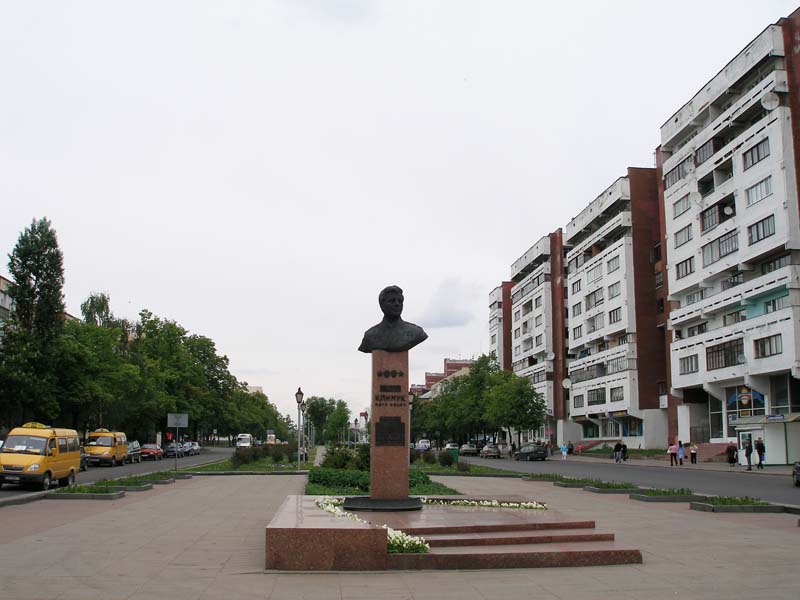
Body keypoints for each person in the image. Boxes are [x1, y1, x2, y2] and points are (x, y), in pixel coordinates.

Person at [358, 285, 428, 353]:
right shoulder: (370, 335)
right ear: (382, 305)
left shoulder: (416, 332)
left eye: (400, 301)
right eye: (392, 301)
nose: (397, 304)